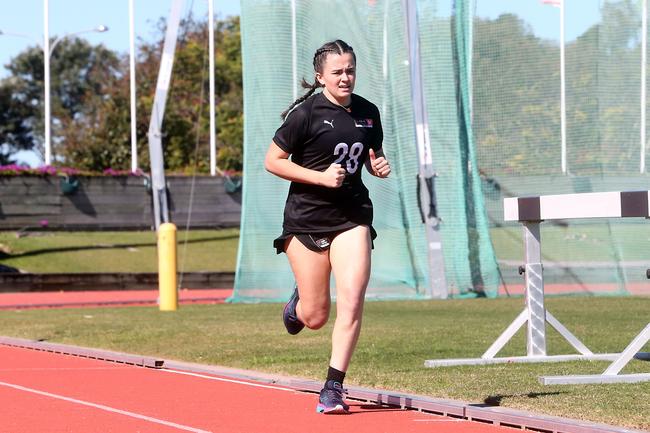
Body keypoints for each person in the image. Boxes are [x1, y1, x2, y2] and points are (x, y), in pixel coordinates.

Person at [264, 39, 391, 414]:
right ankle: (297, 307)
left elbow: (371, 156)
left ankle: (333, 386)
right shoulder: (305, 115)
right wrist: (319, 178)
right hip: (306, 220)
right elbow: (273, 161)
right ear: (320, 77)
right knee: (316, 316)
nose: (345, 77)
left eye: (350, 69)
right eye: (337, 72)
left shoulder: (368, 112)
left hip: (352, 217)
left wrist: (377, 167)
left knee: (352, 298)